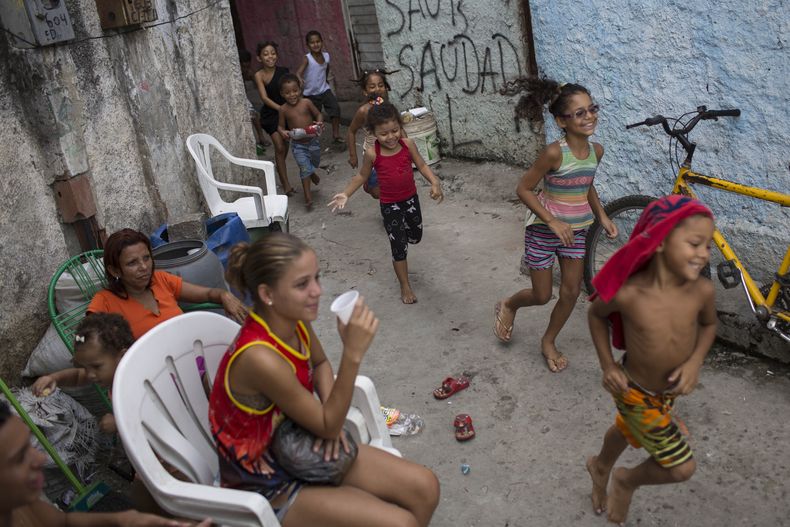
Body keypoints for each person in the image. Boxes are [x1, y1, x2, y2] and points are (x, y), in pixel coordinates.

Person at [208, 233, 440, 526]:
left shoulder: (293, 318)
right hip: (265, 481)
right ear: (267, 294)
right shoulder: (260, 358)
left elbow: (319, 363)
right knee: (400, 523)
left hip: (297, 442)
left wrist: (330, 419)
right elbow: (328, 422)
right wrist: (352, 354)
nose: (317, 291)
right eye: (302, 284)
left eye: (316, 278)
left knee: (425, 487)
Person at [586, 195, 717, 525]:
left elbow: (709, 324)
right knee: (681, 467)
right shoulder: (630, 294)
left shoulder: (702, 292)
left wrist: (694, 362)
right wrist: (607, 365)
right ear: (659, 242)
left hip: (667, 394)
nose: (704, 254)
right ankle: (626, 480)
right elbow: (595, 315)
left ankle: (600, 465)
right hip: (633, 390)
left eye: (709, 246)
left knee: (628, 429)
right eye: (695, 244)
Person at [492, 78, 617, 372]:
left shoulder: (596, 151)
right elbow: (523, 189)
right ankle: (509, 304)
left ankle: (548, 340)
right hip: (542, 231)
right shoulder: (553, 153)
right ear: (561, 120)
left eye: (592, 109)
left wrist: (602, 216)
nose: (589, 117)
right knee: (542, 295)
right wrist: (552, 220)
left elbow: (586, 185)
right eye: (580, 113)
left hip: (576, 232)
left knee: (572, 291)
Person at [0, 400, 210, 527]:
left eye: (29, 446)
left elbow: (62, 523)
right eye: (19, 458)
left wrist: (122, 520)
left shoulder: (21, 501)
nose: (40, 458)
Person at [329, 103, 444, 304]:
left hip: (410, 200)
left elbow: (422, 165)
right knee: (398, 246)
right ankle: (405, 285)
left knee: (415, 236)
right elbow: (361, 176)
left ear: (400, 126)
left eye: (394, 131)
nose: (391, 137)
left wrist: (434, 182)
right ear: (373, 133)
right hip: (390, 204)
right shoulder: (373, 153)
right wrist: (346, 193)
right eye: (383, 134)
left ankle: (403, 238)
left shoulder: (408, 144)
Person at [87, 229, 247, 338]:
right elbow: (85, 339)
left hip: (188, 355)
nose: (144, 267)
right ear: (115, 270)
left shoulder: (160, 280)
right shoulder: (105, 301)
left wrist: (224, 295)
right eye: (132, 263)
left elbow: (207, 294)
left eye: (146, 258)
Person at [31, 313, 133, 435]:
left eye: (96, 366)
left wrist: (119, 423)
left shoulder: (138, 379)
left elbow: (152, 411)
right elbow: (78, 376)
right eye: (85, 367)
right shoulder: (114, 378)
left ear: (122, 356)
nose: (90, 374)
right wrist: (54, 379)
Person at [346, 69, 403, 199]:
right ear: (365, 91)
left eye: (381, 85)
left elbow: (399, 128)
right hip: (373, 156)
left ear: (386, 88)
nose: (377, 89)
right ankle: (369, 185)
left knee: (394, 184)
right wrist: (353, 155)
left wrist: (406, 146)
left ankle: (392, 209)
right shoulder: (363, 111)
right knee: (377, 192)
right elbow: (351, 131)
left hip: (392, 151)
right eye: (372, 86)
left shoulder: (389, 108)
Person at [254, 41, 296, 196]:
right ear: (259, 58)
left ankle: (280, 168)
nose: (270, 56)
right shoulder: (259, 75)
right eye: (265, 54)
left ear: (276, 55)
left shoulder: (284, 71)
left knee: (284, 147)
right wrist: (280, 109)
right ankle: (286, 185)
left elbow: (291, 90)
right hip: (271, 114)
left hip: (286, 112)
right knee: (279, 146)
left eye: (272, 53)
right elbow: (264, 98)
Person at [277, 73, 324, 209]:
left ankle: (312, 171)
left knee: (314, 162)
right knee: (304, 169)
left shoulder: (306, 103)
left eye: (295, 91)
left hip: (313, 141)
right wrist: (283, 132)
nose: (292, 95)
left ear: (300, 90)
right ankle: (308, 198)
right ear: (282, 94)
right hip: (298, 145)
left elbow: (318, 114)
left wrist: (319, 123)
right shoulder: (283, 109)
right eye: (287, 92)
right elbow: (280, 126)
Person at [296, 30, 343, 143]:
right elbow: (298, 73)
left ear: (322, 42)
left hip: (324, 90)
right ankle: (312, 139)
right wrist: (299, 79)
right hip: (310, 94)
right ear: (308, 45)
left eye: (318, 41)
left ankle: (336, 135)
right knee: (312, 118)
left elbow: (326, 68)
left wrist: (325, 80)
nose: (315, 44)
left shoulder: (326, 56)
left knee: (335, 109)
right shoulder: (307, 58)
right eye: (312, 42)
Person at [239, 49, 269, 154]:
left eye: (247, 65)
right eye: (243, 66)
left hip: (244, 97)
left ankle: (261, 138)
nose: (245, 68)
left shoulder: (249, 71)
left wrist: (252, 76)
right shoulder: (235, 71)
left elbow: (258, 85)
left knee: (254, 115)